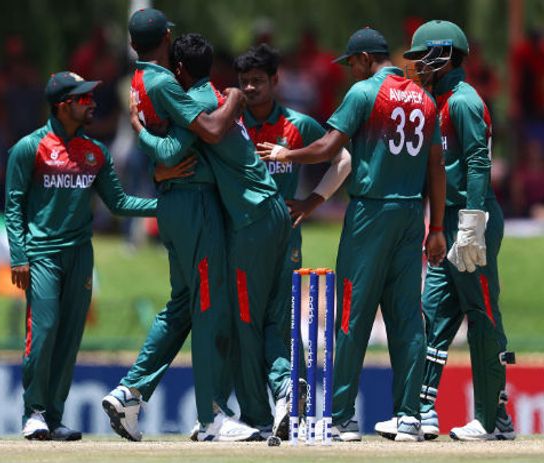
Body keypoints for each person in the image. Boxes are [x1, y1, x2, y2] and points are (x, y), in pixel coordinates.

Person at [258, 27, 446, 442]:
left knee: (351, 315)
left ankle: (342, 418)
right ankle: (409, 416)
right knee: (407, 319)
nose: (350, 72)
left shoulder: (364, 94)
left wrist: (286, 153)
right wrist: (437, 228)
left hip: (371, 213)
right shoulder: (425, 98)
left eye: (352, 64)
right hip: (412, 212)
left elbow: (328, 147)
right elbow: (436, 167)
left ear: (364, 58)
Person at [102, 9, 260, 443]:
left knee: (183, 306)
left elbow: (165, 149)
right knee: (210, 309)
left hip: (174, 204)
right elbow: (205, 130)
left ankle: (129, 393)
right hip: (194, 204)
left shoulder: (138, 79)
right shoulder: (164, 81)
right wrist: (232, 100)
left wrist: (152, 157)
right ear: (167, 36)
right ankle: (211, 417)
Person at [131, 32, 293, 440]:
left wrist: (140, 131)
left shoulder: (203, 104)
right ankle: (285, 388)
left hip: (251, 220)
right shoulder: (212, 97)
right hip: (273, 213)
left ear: (180, 70)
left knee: (242, 320)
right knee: (268, 316)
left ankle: (257, 414)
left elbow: (176, 149)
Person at [4, 70, 157, 441]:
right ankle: (34, 412)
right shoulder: (30, 147)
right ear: (62, 105)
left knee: (70, 335)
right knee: (44, 330)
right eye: (82, 99)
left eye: (90, 98)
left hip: (79, 255)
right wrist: (19, 256)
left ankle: (54, 417)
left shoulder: (95, 152)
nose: (91, 104)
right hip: (41, 254)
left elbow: (118, 203)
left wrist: (165, 206)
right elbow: (13, 205)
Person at [399, 20, 516, 441]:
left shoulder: (464, 101)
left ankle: (490, 418)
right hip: (449, 222)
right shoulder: (438, 99)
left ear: (444, 55)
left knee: (482, 315)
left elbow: (479, 163)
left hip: (473, 218)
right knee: (432, 313)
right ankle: (419, 412)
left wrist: (472, 223)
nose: (415, 66)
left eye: (421, 58)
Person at [235, 43, 352, 439]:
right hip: (241, 239)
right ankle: (273, 404)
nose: (250, 89)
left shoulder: (297, 124)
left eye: (257, 81)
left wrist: (311, 201)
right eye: (244, 82)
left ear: (275, 81)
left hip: (284, 238)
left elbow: (343, 160)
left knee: (276, 322)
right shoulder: (230, 125)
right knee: (246, 328)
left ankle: (282, 396)